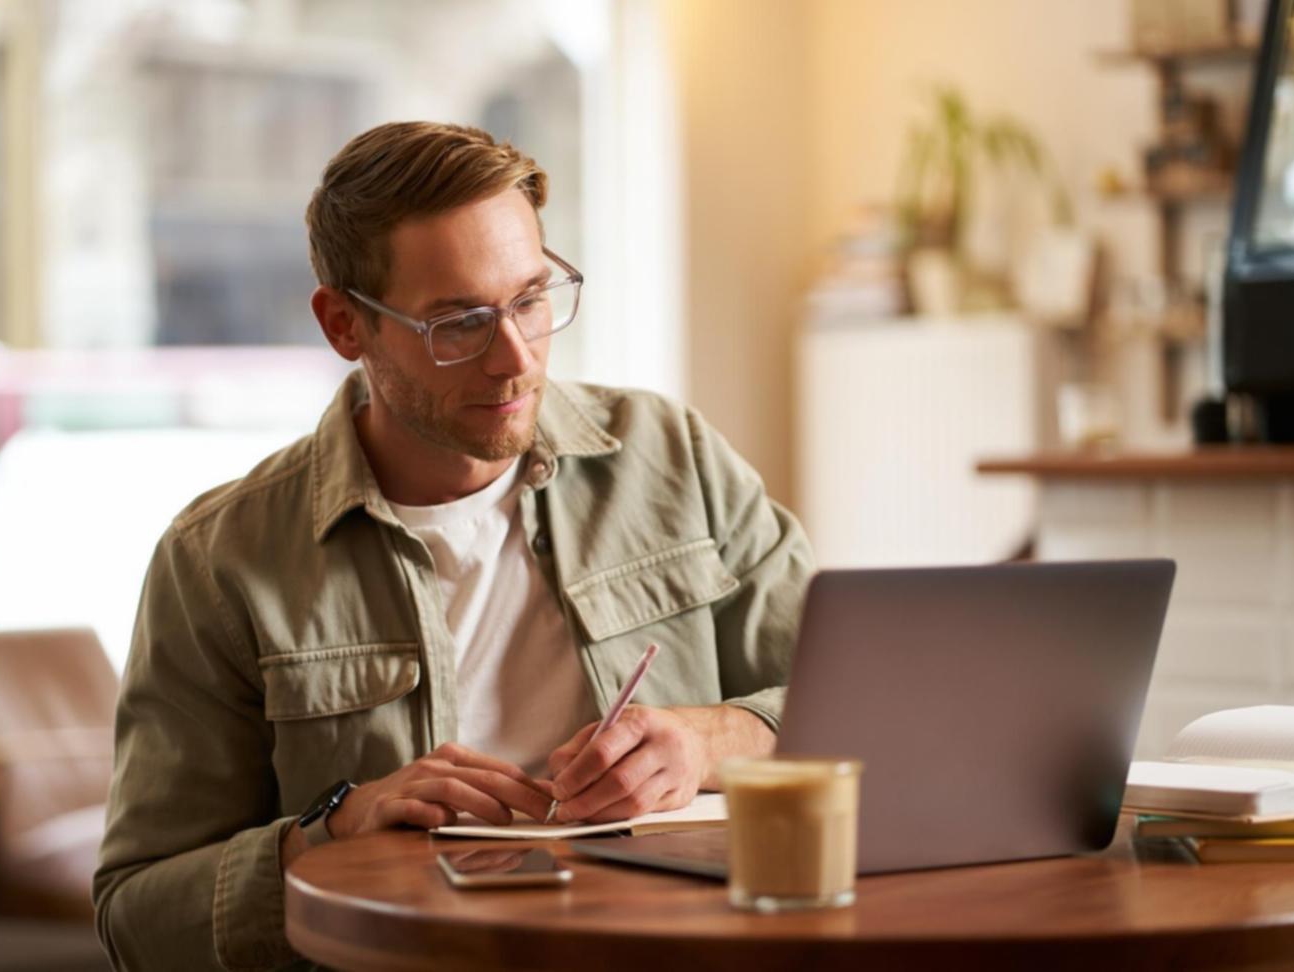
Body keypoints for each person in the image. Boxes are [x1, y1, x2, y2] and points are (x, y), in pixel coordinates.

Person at [92, 121, 814, 971]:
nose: (514, 359)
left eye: (531, 299)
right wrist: (329, 831)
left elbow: (857, 707)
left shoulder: (672, 457)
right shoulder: (219, 562)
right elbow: (136, 917)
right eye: (459, 322)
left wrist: (706, 743)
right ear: (344, 326)